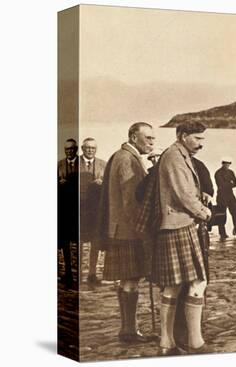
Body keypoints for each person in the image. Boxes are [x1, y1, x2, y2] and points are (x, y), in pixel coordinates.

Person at [151, 121, 211, 356]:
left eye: (202, 139)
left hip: (175, 225)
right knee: (198, 282)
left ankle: (167, 344)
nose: (201, 144)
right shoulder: (175, 157)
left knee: (173, 286)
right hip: (178, 225)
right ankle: (195, 343)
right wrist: (204, 212)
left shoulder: (176, 154)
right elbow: (183, 194)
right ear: (183, 135)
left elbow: (186, 192)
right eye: (197, 138)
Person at [96, 122, 156, 344]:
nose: (152, 142)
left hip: (123, 230)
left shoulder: (123, 156)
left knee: (128, 280)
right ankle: (129, 331)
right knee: (130, 280)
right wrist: (144, 230)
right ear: (133, 137)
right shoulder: (126, 159)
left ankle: (129, 329)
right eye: (148, 138)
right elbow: (131, 201)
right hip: (128, 231)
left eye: (153, 138)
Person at [79, 137, 106, 286]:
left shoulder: (103, 164)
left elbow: (108, 185)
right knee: (80, 242)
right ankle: (78, 275)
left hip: (96, 210)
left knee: (95, 242)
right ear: (82, 149)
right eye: (88, 148)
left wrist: (102, 183)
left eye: (93, 148)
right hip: (80, 209)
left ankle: (92, 273)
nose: (90, 150)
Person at [58, 138, 79, 288]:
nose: (69, 152)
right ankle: (68, 274)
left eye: (71, 149)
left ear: (76, 149)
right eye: (66, 150)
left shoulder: (82, 163)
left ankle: (78, 274)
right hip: (64, 210)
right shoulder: (58, 165)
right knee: (64, 244)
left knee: (78, 243)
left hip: (78, 209)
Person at [214, 157, 236, 239]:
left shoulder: (231, 172)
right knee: (221, 215)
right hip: (221, 196)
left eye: (228, 163)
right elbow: (221, 185)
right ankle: (222, 234)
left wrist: (229, 183)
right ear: (222, 163)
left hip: (230, 195)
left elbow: (235, 183)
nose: (227, 165)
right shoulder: (218, 173)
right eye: (226, 163)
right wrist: (230, 183)